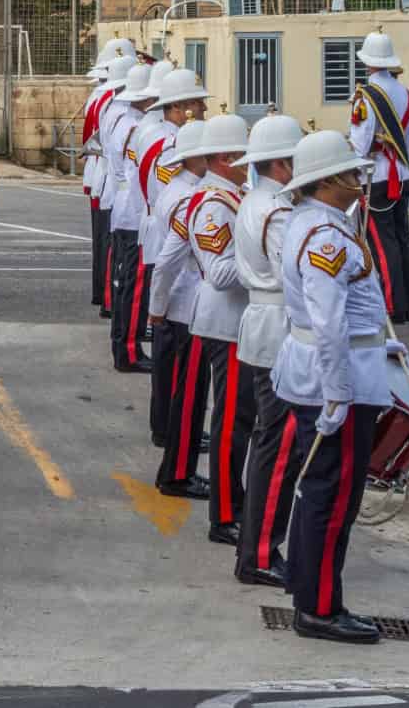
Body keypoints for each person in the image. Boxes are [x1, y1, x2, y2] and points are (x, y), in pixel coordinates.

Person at [274, 129, 391, 643]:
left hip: (332, 369)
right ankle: (319, 607)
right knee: (332, 494)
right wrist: (338, 392)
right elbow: (329, 323)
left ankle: (307, 586)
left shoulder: (316, 222)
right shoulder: (324, 236)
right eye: (349, 172)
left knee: (317, 488)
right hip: (335, 377)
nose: (358, 179)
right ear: (327, 181)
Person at [232, 114, 303, 588]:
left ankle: (258, 545)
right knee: (278, 450)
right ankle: (259, 552)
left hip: (262, 321)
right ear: (281, 164)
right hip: (278, 324)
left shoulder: (254, 201)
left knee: (267, 442)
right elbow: (293, 276)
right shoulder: (275, 210)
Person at [183, 113, 253, 545]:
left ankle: (236, 502)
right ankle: (224, 514)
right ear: (227, 158)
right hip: (225, 323)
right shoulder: (213, 203)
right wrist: (268, 264)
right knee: (231, 424)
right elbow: (219, 273)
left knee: (242, 421)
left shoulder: (233, 196)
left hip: (238, 324)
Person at [147, 118, 209, 498]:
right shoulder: (189, 197)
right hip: (186, 302)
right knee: (189, 398)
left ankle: (177, 466)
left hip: (178, 300)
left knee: (182, 394)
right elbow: (169, 260)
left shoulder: (178, 188)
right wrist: (157, 306)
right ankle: (177, 473)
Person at [348, 32, 409, 324]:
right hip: (403, 174)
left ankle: (392, 306)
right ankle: (406, 305)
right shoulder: (406, 93)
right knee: (401, 239)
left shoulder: (366, 96)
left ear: (368, 62)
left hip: (377, 177)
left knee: (381, 242)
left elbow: (360, 144)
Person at [101, 59, 150, 368]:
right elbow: (137, 175)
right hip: (133, 209)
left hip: (123, 202)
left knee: (125, 282)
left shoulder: (122, 119)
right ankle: (128, 350)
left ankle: (123, 342)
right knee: (134, 285)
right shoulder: (135, 126)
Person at [79, 51, 117, 316]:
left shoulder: (100, 97)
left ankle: (101, 293)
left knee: (103, 241)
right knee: (108, 243)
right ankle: (106, 297)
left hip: (100, 172)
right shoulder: (108, 99)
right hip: (107, 174)